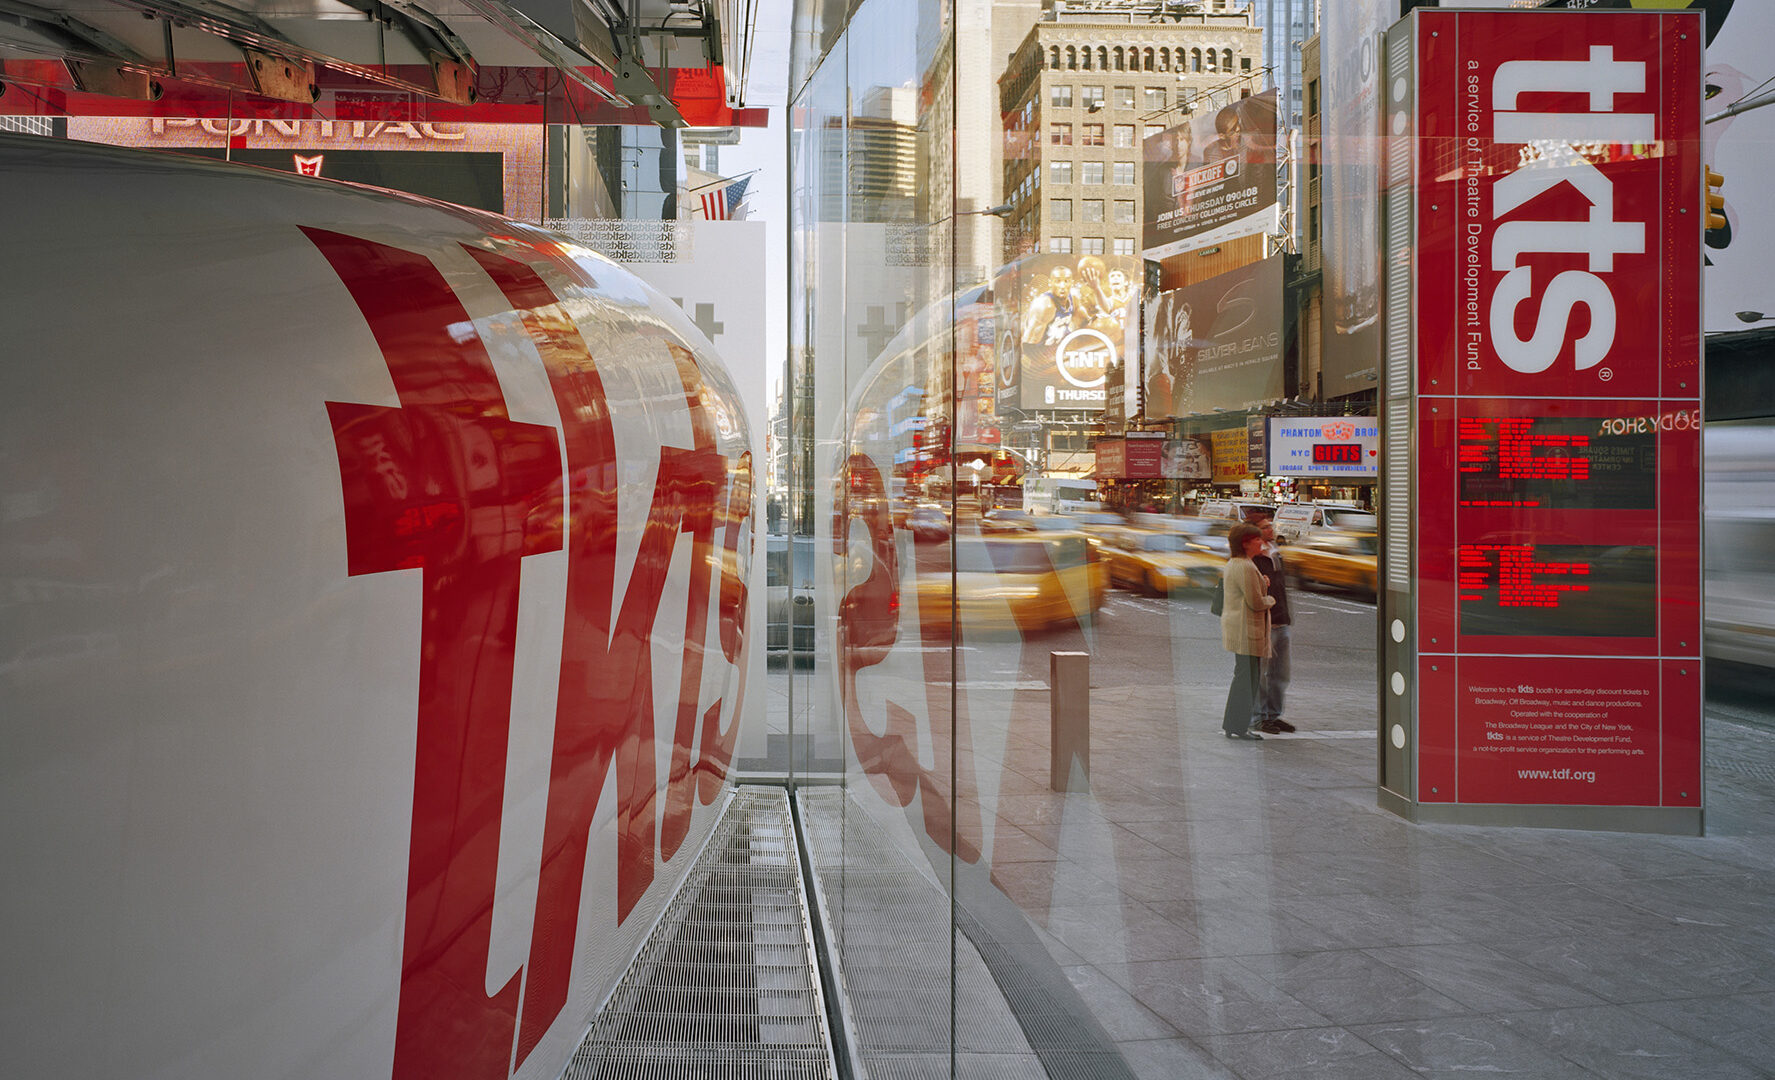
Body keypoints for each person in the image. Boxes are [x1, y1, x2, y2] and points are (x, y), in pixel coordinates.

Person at [1219, 522, 1274, 741]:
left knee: (1243, 678)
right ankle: (1238, 726)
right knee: (1247, 681)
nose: (1261, 542)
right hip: (1247, 630)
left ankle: (1233, 724)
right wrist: (1270, 598)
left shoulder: (1235, 563)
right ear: (1246, 543)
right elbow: (1256, 602)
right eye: (1257, 539)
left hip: (1239, 628)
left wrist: (1262, 583)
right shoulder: (1245, 566)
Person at [1250, 515, 1296, 735]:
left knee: (1280, 674)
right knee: (1260, 675)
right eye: (1265, 527)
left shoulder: (1275, 553)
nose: (1271, 529)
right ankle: (1258, 717)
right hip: (1263, 623)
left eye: (1270, 526)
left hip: (1281, 620)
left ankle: (1273, 714)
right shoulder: (1251, 559)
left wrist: (1286, 615)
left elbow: (1281, 587)